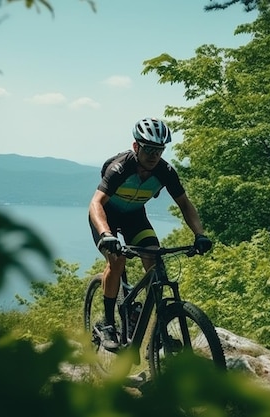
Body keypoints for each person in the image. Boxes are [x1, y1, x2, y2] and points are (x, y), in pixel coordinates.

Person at [88, 117, 213, 351]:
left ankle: (158, 329)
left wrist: (200, 234)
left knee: (156, 262)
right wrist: (106, 233)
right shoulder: (120, 167)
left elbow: (185, 205)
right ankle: (107, 324)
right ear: (136, 147)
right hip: (107, 216)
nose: (154, 155)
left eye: (159, 150)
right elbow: (95, 203)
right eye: (149, 149)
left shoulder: (165, 171)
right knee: (117, 261)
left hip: (135, 217)